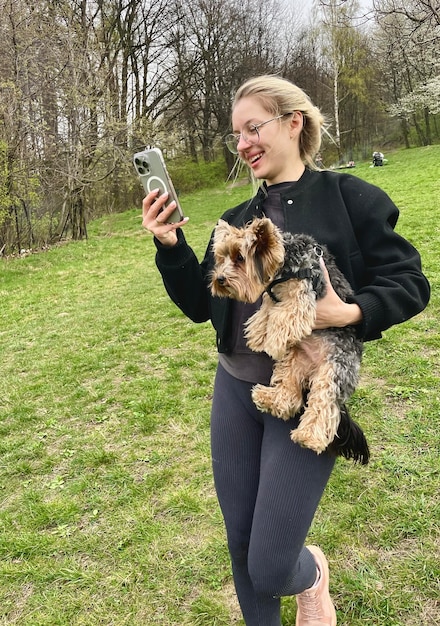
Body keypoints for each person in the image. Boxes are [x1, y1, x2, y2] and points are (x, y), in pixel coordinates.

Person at [141, 75, 430, 626]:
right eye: (236, 134)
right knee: (241, 544)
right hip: (236, 388)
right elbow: (202, 306)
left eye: (255, 127)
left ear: (294, 122)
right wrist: (170, 247)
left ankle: (311, 575)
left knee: (272, 565)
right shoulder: (234, 220)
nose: (244, 143)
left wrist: (346, 312)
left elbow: (411, 283)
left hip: (306, 391)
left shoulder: (353, 200)